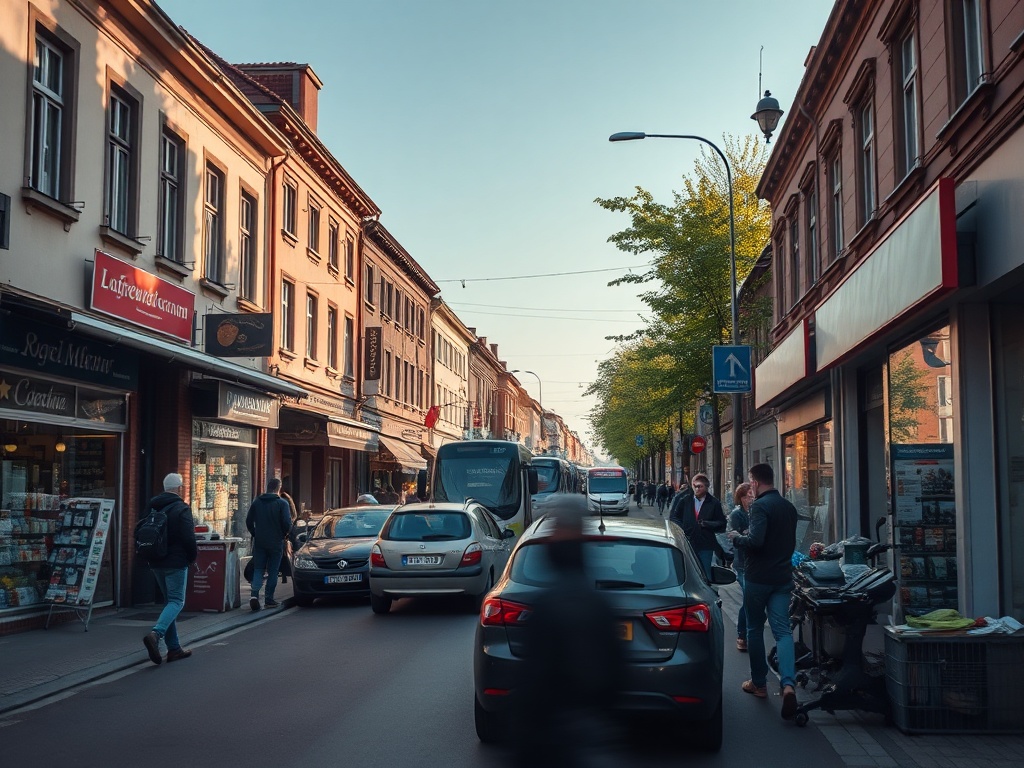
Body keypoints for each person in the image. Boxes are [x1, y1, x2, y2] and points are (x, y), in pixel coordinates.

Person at [512, 496, 624, 766]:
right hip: (593, 735)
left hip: (555, 742)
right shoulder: (600, 604)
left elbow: (533, 682)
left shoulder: (549, 604)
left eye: (556, 530)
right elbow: (616, 675)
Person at [728, 463, 799, 720]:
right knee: (783, 631)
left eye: (751, 482)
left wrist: (737, 538)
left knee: (754, 629)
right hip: (782, 577)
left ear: (756, 482)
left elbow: (756, 541)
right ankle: (788, 684)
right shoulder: (788, 507)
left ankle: (759, 684)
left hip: (758, 578)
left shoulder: (759, 506)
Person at [142, 472, 197, 665]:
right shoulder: (182, 508)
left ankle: (174, 649)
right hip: (176, 561)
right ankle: (156, 634)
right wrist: (192, 557)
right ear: (179, 488)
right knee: (176, 601)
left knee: (169, 603)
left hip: (156, 560)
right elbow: (189, 537)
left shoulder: (152, 505)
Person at [245, 477, 293, 611]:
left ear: (267, 487)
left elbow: (248, 521)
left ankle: (254, 595)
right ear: (279, 488)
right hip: (276, 542)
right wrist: (284, 534)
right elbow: (287, 523)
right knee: (273, 570)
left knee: (258, 568)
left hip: (260, 542)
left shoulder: (257, 502)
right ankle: (269, 599)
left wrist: (255, 533)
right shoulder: (282, 503)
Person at [669, 473, 726, 580]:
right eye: (695, 486)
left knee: (705, 574)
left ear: (706, 487)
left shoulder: (714, 503)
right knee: (687, 573)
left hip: (705, 544)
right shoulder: (685, 500)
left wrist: (707, 524)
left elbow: (722, 523)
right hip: (687, 543)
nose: (697, 489)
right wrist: (682, 529)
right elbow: (674, 517)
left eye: (700, 486)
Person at [729, 482, 754, 652]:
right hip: (742, 563)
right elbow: (735, 537)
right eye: (746, 496)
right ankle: (742, 634)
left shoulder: (757, 512)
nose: (750, 499)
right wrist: (746, 535)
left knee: (752, 600)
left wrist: (747, 534)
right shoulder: (737, 514)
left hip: (755, 563)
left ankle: (748, 632)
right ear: (741, 498)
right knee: (748, 598)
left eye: (751, 496)